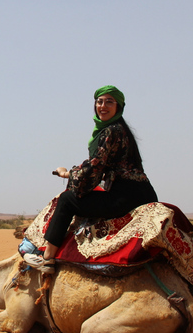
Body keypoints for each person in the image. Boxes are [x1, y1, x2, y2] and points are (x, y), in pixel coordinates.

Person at [36, 85, 158, 271]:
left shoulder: (111, 131)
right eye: (99, 101)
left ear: (119, 107)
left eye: (109, 102)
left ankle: (47, 258)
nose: (103, 106)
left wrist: (67, 174)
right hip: (144, 193)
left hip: (125, 197)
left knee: (67, 200)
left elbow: (94, 168)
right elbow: (98, 166)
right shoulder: (122, 130)